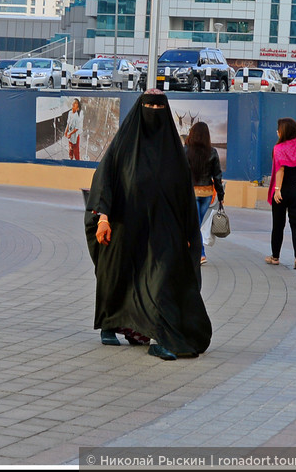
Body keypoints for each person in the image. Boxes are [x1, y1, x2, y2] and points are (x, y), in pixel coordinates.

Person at [84, 89, 211, 361]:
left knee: (161, 279)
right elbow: (104, 179)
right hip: (124, 226)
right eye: (149, 106)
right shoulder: (123, 147)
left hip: (163, 230)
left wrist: (190, 232)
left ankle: (157, 332)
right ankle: (111, 324)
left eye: (159, 107)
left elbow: (185, 195)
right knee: (119, 276)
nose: (154, 111)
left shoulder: (174, 154)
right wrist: (103, 218)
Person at [266, 117, 296, 270]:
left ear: (283, 132)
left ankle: (275, 257)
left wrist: (277, 189)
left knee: (278, 225)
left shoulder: (279, 148)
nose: (277, 131)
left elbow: (280, 169)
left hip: (282, 191)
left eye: (278, 129)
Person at [184, 121, 224, 265]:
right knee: (196, 223)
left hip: (191, 193)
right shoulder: (212, 152)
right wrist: (221, 196)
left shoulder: (186, 150)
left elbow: (181, 174)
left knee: (194, 224)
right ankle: (198, 253)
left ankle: (199, 253)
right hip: (207, 194)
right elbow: (217, 176)